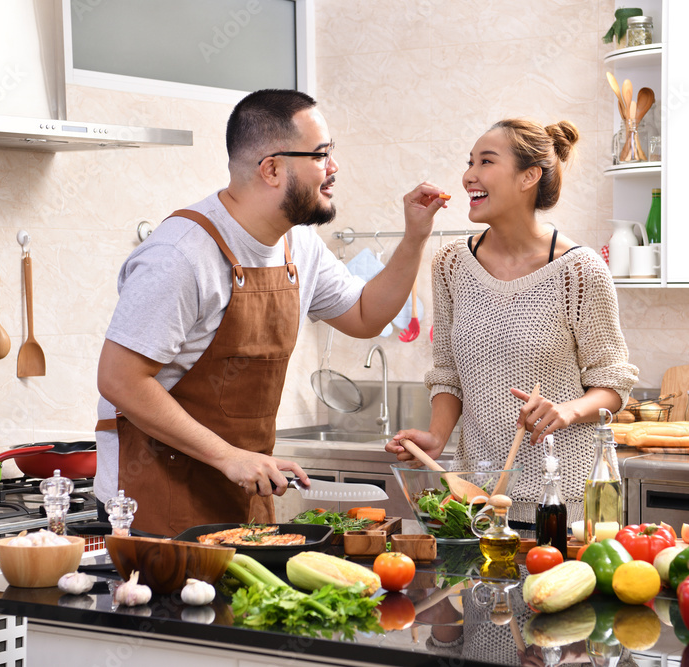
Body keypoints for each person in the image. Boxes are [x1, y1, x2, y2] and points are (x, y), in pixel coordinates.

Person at [95, 89, 446, 536]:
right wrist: (229, 456)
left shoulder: (298, 245)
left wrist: (414, 237)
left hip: (241, 490)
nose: (333, 168)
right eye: (321, 155)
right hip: (156, 498)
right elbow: (120, 379)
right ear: (272, 168)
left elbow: (365, 315)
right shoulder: (181, 254)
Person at [387, 118, 638, 525]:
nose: (470, 175)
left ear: (529, 177)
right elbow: (449, 372)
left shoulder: (579, 270)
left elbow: (612, 385)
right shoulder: (452, 264)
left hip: (560, 500)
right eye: (470, 163)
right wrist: (436, 437)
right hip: (477, 500)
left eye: (486, 162)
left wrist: (568, 411)